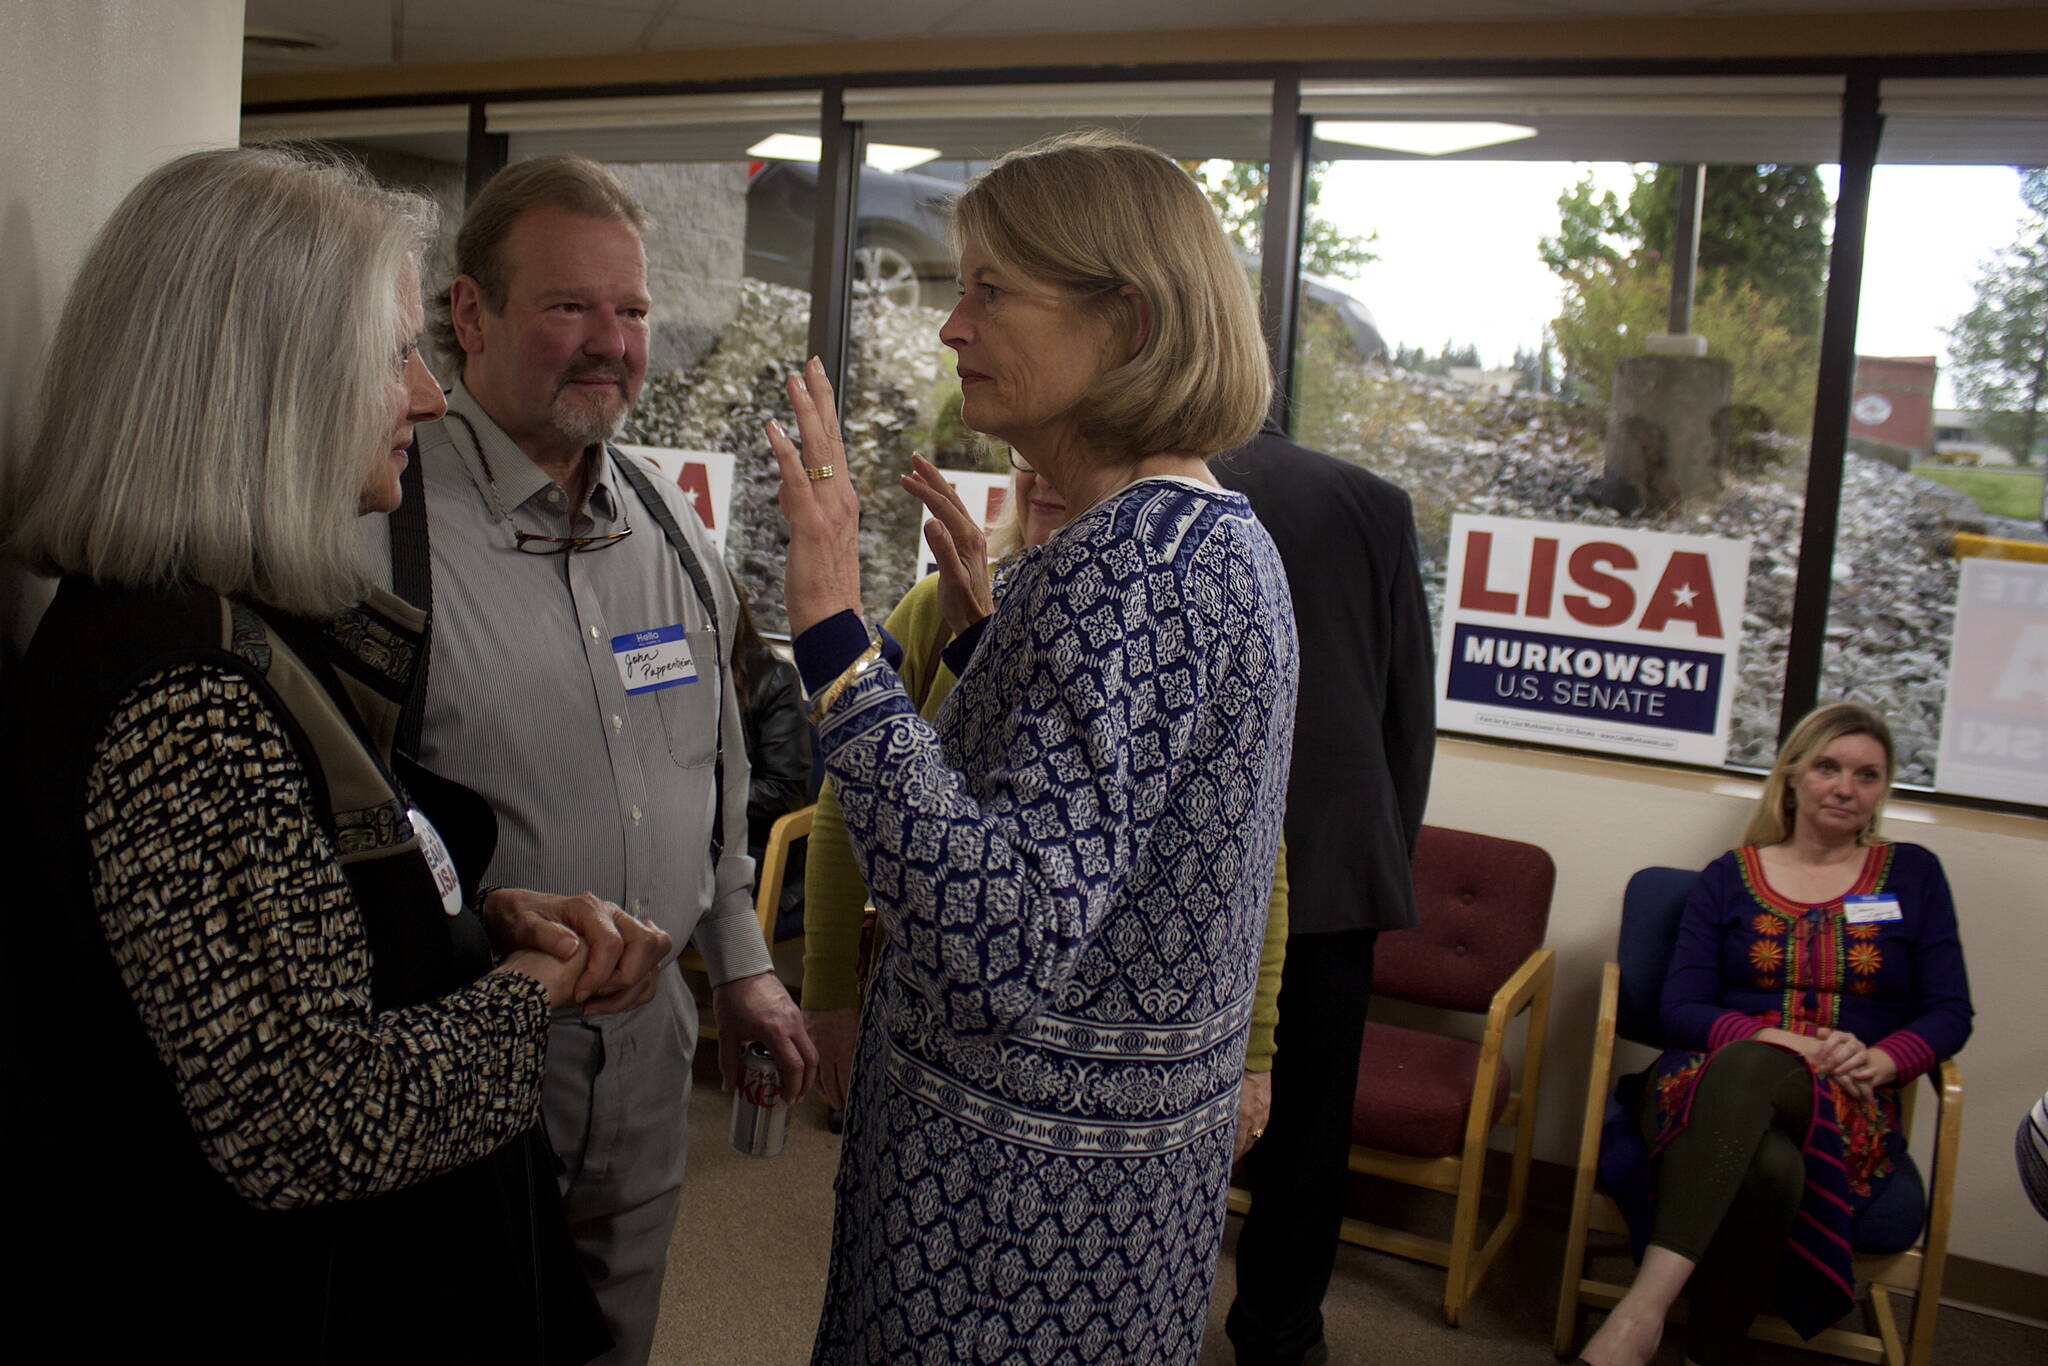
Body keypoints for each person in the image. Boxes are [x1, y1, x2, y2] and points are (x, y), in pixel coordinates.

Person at [0, 145, 628, 1362]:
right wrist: (527, 994)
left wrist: (465, 924)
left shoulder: (225, 632)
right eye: (397, 354)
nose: (430, 397)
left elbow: (278, 937)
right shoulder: (182, 700)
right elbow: (308, 1119)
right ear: (266, 380)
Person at [769, 130, 1299, 1365]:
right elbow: (1100, 836)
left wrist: (835, 637)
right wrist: (978, 657)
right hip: (1107, 1220)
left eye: (988, 290)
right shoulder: (1213, 541)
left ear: (1126, 319)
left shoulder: (1125, 574)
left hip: (1010, 1233)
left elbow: (994, 941)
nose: (951, 328)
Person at [367, 153, 816, 1366]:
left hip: (649, 1050)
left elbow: (714, 770)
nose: (611, 342)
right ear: (470, 313)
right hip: (470, 1052)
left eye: (630, 311)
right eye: (569, 306)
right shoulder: (379, 528)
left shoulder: (667, 522)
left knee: (616, 1328)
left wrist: (739, 962)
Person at [801, 461, 1290, 1142]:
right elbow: (843, 809)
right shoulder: (933, 607)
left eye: (1074, 457)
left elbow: (1249, 862)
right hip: (925, 1024)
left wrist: (1255, 1056)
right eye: (1031, 461)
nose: (1047, 480)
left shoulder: (1159, 630)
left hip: (1103, 1076)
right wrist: (826, 995)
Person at [1585, 702, 1973, 1366]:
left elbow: (1949, 1012)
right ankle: (1699, 1347)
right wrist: (1793, 1044)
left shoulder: (1915, 875)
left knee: (1760, 1101)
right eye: (1828, 766)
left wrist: (1883, 1060)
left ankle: (1638, 1316)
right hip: (1700, 1085)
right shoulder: (1727, 877)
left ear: (1883, 789)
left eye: (1867, 774)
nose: (1846, 788)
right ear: (1792, 776)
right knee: (1762, 1140)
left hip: (1848, 1103)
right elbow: (1680, 1008)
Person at [1212, 420, 1436, 1366]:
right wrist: (1382, 846)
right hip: (1336, 869)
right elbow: (1406, 710)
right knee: (1308, 1130)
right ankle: (1279, 1335)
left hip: (1193, 864)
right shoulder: (1373, 505)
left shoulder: (1146, 482)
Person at [732, 579, 816, 940]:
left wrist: (697, 799)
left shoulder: (773, 677)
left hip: (749, 850)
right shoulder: (671, 676)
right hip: (681, 847)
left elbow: (783, 791)